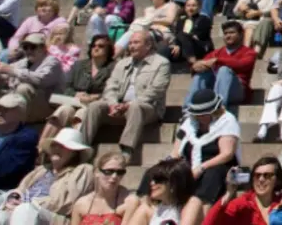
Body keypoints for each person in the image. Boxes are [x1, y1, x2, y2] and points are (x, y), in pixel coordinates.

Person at [77, 30, 169, 161]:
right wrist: (113, 104)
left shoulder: (161, 63)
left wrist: (128, 105)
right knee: (94, 106)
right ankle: (82, 148)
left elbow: (156, 90)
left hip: (148, 108)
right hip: (119, 106)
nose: (131, 46)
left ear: (148, 45)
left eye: (136, 43)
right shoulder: (122, 63)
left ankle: (126, 151)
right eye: (130, 43)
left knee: (135, 107)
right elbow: (111, 87)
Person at [123, 158, 203, 225]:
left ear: (174, 183)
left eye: (158, 179)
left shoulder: (192, 203)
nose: (152, 183)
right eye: (152, 179)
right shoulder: (148, 211)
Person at [68, 152, 134, 225]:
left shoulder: (129, 202)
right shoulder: (81, 204)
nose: (114, 176)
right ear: (96, 172)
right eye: (109, 171)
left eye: (120, 172)